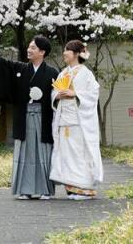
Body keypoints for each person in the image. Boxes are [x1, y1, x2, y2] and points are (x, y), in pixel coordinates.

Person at [0, 36, 59, 199]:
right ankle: (25, 189)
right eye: (29, 46)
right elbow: (1, 64)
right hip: (24, 116)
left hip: (43, 118)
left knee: (43, 152)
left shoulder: (52, 73)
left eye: (33, 48)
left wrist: (46, 97)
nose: (29, 50)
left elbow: (57, 97)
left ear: (42, 52)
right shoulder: (20, 68)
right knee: (25, 152)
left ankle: (45, 189)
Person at [50, 40, 103, 200]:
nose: (64, 53)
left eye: (67, 50)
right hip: (64, 119)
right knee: (67, 155)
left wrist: (75, 94)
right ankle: (72, 188)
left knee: (80, 154)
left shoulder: (86, 73)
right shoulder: (62, 73)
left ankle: (85, 189)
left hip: (79, 122)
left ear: (75, 53)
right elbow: (54, 92)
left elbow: (94, 94)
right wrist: (57, 96)